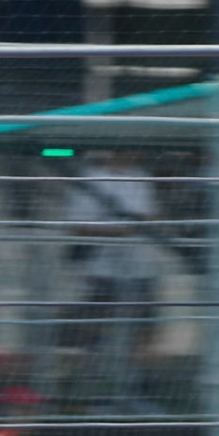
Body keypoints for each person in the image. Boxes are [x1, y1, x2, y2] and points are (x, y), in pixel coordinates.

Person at [66, 148, 160, 405]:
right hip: (101, 268)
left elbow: (149, 218)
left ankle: (137, 388)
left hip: (139, 266)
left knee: (143, 328)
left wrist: (132, 228)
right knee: (95, 327)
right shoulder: (90, 178)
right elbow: (78, 224)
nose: (130, 155)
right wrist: (119, 231)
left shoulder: (141, 178)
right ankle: (95, 388)